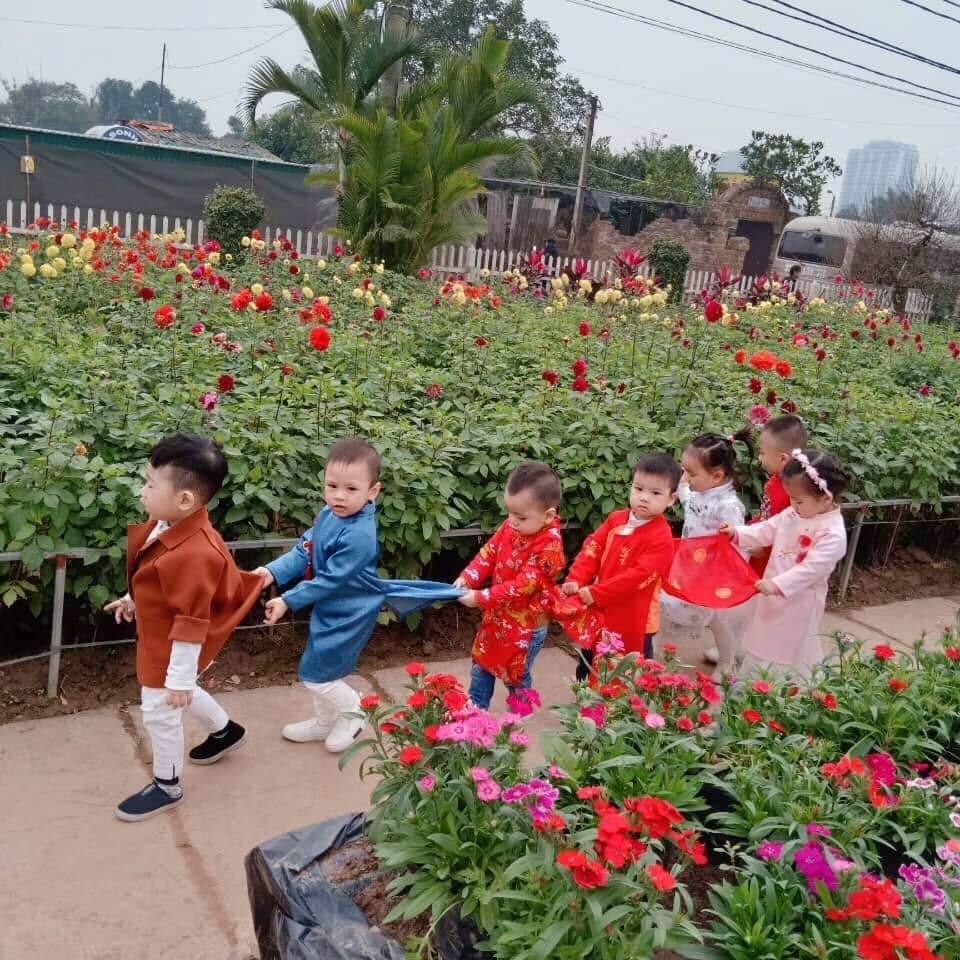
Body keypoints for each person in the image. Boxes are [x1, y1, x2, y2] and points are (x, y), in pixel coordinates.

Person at [104, 434, 263, 822]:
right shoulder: (170, 524)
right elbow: (158, 579)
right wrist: (133, 599)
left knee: (160, 710)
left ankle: (167, 784)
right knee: (181, 695)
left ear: (186, 499)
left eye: (150, 484)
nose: (142, 492)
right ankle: (226, 731)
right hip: (164, 636)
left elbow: (192, 620)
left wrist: (177, 677)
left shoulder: (195, 553)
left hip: (176, 647)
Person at [253, 438, 383, 753]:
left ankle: (355, 710)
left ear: (372, 491)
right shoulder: (329, 514)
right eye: (332, 486)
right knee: (319, 667)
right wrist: (271, 572)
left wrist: (287, 600)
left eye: (351, 489)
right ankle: (325, 722)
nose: (339, 495)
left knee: (317, 674)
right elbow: (306, 550)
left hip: (351, 612)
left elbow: (330, 580)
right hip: (330, 607)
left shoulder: (360, 535)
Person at [721, 449, 849, 677]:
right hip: (771, 592)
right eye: (791, 498)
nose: (793, 505)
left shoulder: (832, 534)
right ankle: (753, 683)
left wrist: (777, 585)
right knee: (762, 640)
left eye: (799, 501)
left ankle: (778, 689)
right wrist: (738, 533)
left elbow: (810, 570)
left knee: (786, 651)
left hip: (798, 601)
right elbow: (767, 529)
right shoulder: (794, 514)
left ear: (826, 498)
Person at [455, 461, 565, 710]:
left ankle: (518, 717)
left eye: (521, 517)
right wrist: (467, 577)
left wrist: (480, 597)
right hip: (497, 615)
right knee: (482, 664)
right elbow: (489, 553)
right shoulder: (512, 526)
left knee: (516, 675)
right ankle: (475, 711)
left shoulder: (550, 547)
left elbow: (522, 586)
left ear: (548, 515)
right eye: (510, 513)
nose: (512, 521)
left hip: (527, 626)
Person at [561, 453, 679, 680]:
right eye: (638, 489)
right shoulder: (616, 519)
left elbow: (639, 576)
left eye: (655, 493)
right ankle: (584, 694)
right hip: (600, 608)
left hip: (636, 615)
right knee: (590, 659)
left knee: (630, 669)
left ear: (671, 498)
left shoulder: (661, 538)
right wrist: (576, 578)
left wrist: (597, 593)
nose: (644, 498)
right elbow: (592, 548)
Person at [660, 431, 751, 675]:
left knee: (719, 621)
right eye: (684, 471)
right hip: (690, 568)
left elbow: (739, 543)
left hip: (715, 575)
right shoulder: (701, 492)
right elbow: (687, 499)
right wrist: (681, 482)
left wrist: (729, 576)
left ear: (717, 475)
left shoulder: (728, 506)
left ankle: (727, 662)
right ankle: (655, 653)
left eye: (691, 473)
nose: (686, 478)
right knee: (669, 605)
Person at [746, 414, 809, 581]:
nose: (759, 458)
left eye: (762, 453)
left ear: (782, 459)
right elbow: (767, 513)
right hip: (762, 543)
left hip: (772, 559)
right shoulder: (776, 480)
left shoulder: (792, 494)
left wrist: (763, 548)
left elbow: (789, 532)